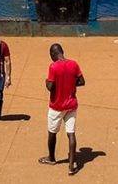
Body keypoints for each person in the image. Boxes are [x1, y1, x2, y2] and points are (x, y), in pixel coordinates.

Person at [39, 43, 84, 174]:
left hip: (56, 106)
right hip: (71, 105)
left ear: (53, 54)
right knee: (71, 133)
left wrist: (46, 82)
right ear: (62, 51)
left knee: (52, 132)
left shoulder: (53, 67)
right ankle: (71, 165)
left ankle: (51, 158)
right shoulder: (74, 64)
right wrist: (70, 83)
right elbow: (81, 81)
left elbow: (50, 87)